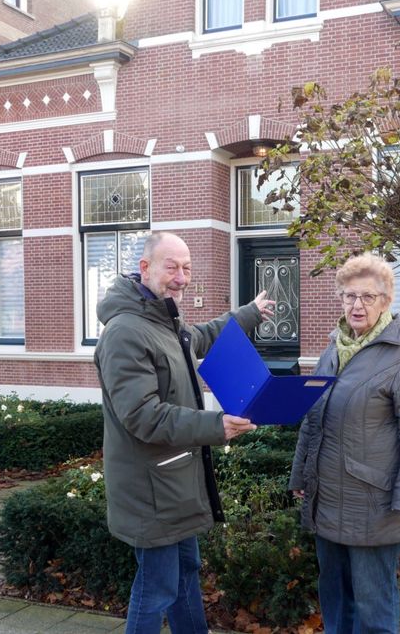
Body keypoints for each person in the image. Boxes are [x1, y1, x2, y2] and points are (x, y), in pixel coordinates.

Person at [94, 231, 273, 634]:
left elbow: (200, 337)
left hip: (175, 484)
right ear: (145, 268)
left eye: (187, 267)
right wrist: (215, 425)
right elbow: (142, 416)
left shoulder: (162, 319)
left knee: (186, 573)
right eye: (172, 266)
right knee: (156, 586)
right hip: (151, 490)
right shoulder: (126, 331)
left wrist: (247, 313)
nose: (181, 277)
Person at [289, 253, 400, 634]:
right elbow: (313, 419)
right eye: (349, 296)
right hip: (327, 501)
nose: (357, 305)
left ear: (386, 301)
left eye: (368, 297)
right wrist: (300, 478)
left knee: (373, 610)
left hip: (374, 505)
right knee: (336, 601)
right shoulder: (333, 347)